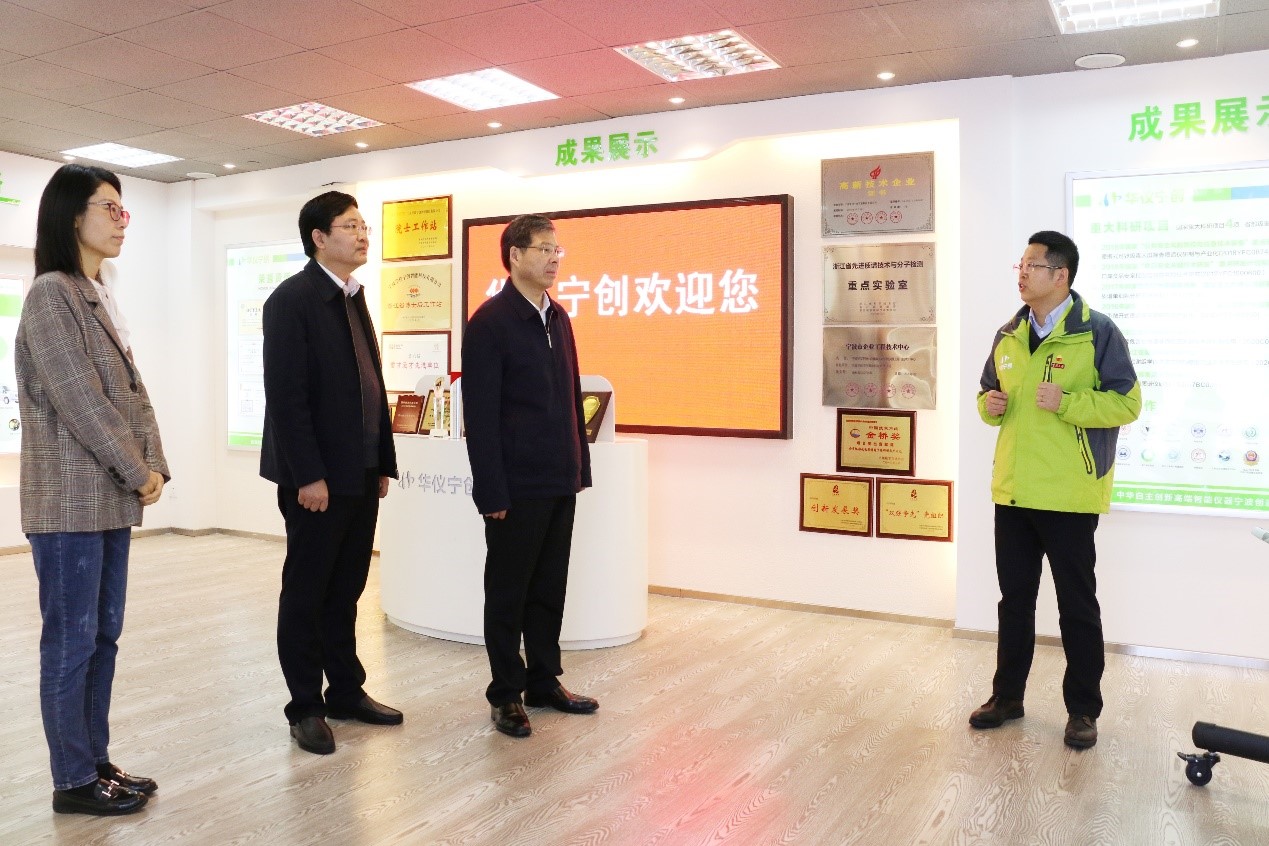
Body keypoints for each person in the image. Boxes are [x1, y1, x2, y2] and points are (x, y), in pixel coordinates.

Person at [17, 164, 169, 815]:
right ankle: (73, 780)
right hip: (68, 503)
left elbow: (131, 396)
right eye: (109, 207)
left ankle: (95, 761)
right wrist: (139, 470)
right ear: (71, 215)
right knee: (71, 642)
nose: (121, 220)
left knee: (102, 638)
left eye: (122, 209)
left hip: (104, 499)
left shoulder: (94, 292)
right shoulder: (50, 294)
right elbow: (82, 401)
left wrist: (154, 465)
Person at [970, 230, 1141, 749]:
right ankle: (1007, 698)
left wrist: (1066, 402)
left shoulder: (1098, 333)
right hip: (1014, 493)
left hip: (1069, 496)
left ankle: (1083, 710)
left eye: (1032, 265)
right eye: (1019, 265)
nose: (1021, 274)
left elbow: (1127, 403)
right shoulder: (1008, 334)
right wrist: (988, 407)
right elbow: (987, 394)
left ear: (1060, 275)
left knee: (1077, 608)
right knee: (1014, 603)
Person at [260, 191, 401, 755]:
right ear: (318, 238)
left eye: (364, 225)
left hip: (359, 471)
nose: (363, 234)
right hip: (316, 479)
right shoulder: (291, 300)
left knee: (346, 589)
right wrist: (308, 475)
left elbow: (371, 386)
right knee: (307, 592)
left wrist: (381, 461)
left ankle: (345, 690)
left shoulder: (352, 295)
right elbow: (286, 398)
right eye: (350, 225)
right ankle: (305, 706)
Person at [462, 214, 597, 738]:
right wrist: (491, 489)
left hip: (558, 478)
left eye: (557, 250)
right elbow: (481, 416)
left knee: (549, 587)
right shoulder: (490, 322)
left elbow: (571, 398)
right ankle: (505, 694)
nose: (554, 258)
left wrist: (579, 466)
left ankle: (544, 680)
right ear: (514, 255)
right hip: (515, 487)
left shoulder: (558, 316)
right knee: (508, 593)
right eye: (543, 249)